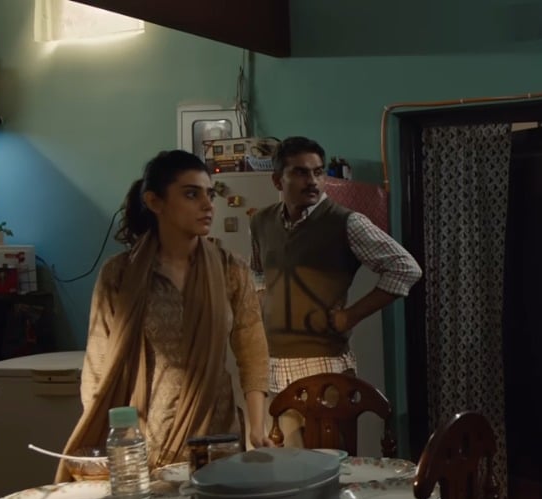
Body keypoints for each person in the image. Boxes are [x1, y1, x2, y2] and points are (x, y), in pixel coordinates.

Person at [59, 150, 271, 481]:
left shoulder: (230, 269)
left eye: (210, 194)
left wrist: (258, 427)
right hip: (146, 439)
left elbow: (253, 351)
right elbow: (98, 368)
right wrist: (114, 438)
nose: (207, 205)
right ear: (155, 202)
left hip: (215, 434)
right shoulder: (120, 275)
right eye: (191, 194)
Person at [249, 136, 421, 445]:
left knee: (329, 461)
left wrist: (351, 315)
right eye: (300, 172)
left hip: (323, 362)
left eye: (318, 172)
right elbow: (259, 271)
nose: (312, 181)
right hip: (274, 364)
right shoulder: (261, 221)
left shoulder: (346, 222)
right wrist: (264, 307)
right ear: (277, 180)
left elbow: (406, 268)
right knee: (285, 464)